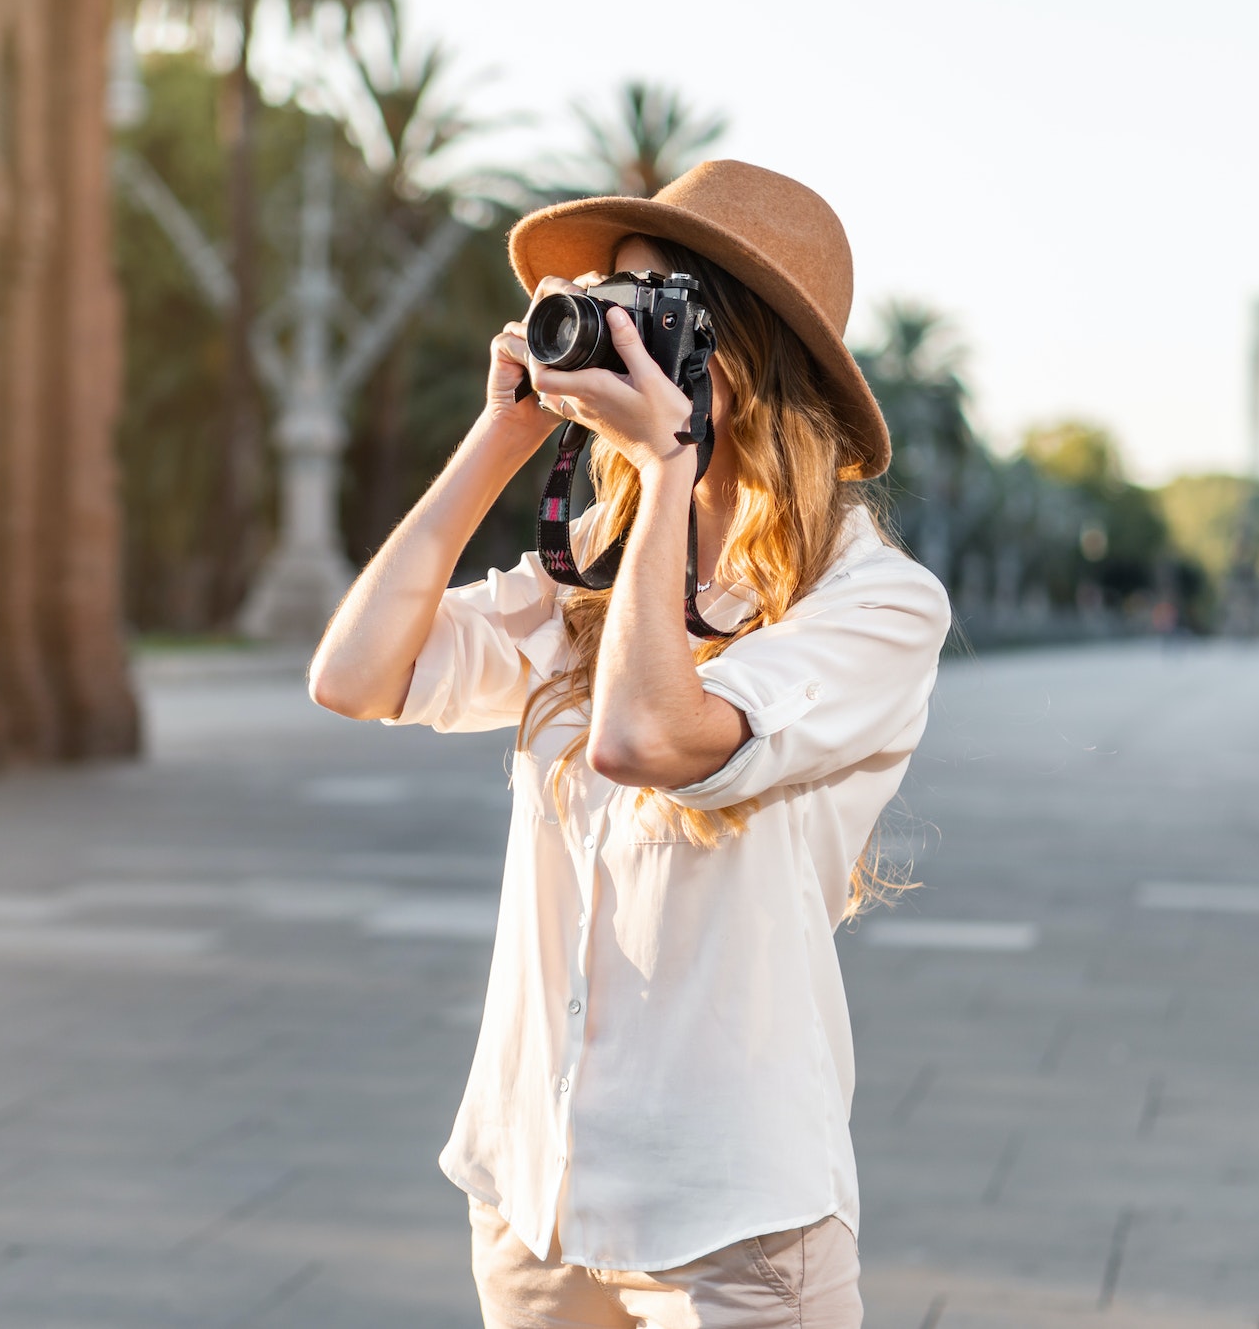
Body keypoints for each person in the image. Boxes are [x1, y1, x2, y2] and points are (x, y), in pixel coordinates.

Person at [309, 161, 951, 1328]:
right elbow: (354, 676)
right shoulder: (587, 568)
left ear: (735, 353)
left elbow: (645, 736)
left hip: (732, 1224)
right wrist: (494, 443)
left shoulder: (877, 603)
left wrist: (666, 468)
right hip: (536, 1196)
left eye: (646, 305)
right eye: (606, 298)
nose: (610, 327)